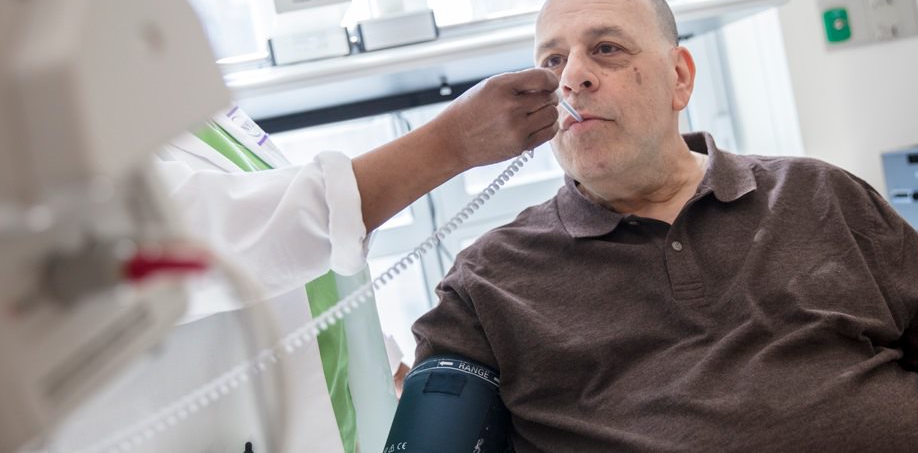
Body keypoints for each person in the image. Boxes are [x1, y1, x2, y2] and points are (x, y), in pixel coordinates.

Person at [411, 0, 918, 452]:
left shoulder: (822, 193)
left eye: (605, 49)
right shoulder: (489, 281)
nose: (570, 78)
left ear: (680, 78)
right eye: (553, 61)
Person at [50, 69, 559, 453]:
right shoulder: (35, 140)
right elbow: (217, 240)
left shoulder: (152, 96)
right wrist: (450, 143)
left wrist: (386, 368)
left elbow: (302, 282)